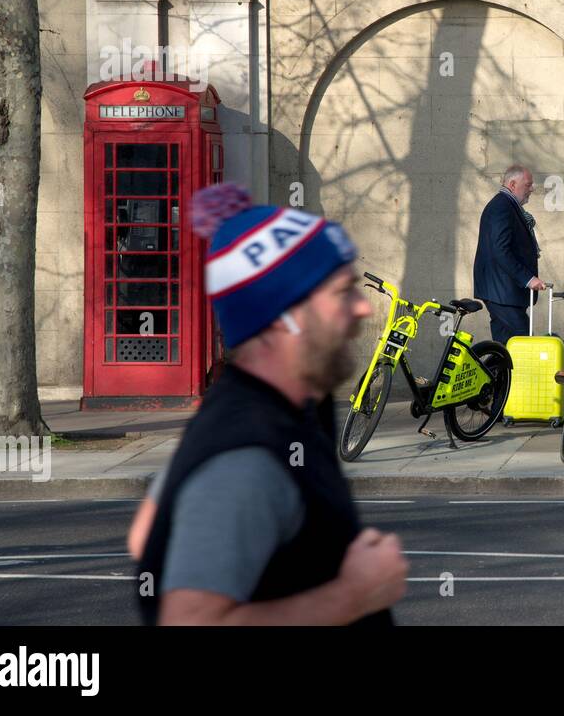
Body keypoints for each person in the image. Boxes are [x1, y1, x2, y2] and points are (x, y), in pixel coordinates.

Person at [136, 183, 409, 625]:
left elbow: (147, 533)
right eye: (342, 292)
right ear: (286, 317)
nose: (362, 308)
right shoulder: (247, 454)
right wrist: (352, 596)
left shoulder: (299, 403)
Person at [474, 164, 547, 344]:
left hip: (503, 292)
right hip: (502, 292)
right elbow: (500, 250)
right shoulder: (502, 207)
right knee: (526, 343)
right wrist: (528, 279)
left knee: (504, 346)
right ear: (513, 184)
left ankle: (498, 372)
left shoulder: (507, 206)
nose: (532, 189)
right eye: (528, 185)